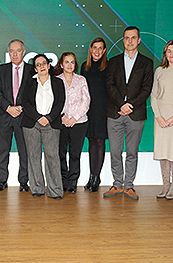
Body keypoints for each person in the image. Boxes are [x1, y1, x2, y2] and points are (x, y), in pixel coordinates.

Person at [103, 26, 153, 200]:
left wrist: (130, 105)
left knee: (132, 152)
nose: (130, 41)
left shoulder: (147, 63)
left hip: (135, 113)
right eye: (126, 38)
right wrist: (121, 104)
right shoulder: (113, 61)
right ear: (123, 40)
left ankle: (129, 186)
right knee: (115, 152)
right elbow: (109, 85)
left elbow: (147, 88)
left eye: (133, 38)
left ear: (139, 40)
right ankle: (117, 185)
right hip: (115, 112)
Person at [0, 39, 35, 192]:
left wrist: (21, 108)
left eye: (18, 50)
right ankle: (2, 181)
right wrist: (8, 107)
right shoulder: (1, 69)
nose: (15, 54)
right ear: (8, 52)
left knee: (24, 151)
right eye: (12, 51)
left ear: (23, 52)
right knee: (3, 151)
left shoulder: (32, 70)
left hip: (24, 117)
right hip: (5, 116)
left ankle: (24, 182)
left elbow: (34, 94)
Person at [22, 54, 66, 199]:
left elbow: (60, 103)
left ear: (48, 65)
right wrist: (38, 117)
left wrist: (48, 118)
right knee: (33, 156)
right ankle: (37, 188)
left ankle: (55, 190)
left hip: (51, 123)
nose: (41, 66)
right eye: (38, 64)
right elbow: (25, 103)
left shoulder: (58, 83)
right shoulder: (29, 83)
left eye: (44, 63)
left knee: (52, 156)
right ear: (35, 68)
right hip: (31, 124)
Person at [150, 40, 173, 200]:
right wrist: (158, 116)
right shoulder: (159, 71)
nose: (171, 53)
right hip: (161, 117)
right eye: (168, 51)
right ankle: (165, 185)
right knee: (163, 151)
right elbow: (154, 94)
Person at [55, 52, 90, 193]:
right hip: (61, 122)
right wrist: (63, 116)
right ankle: (63, 181)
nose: (70, 65)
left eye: (72, 62)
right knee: (61, 153)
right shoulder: (56, 80)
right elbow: (54, 101)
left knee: (75, 154)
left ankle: (72, 183)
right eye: (67, 62)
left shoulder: (81, 80)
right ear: (61, 64)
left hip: (79, 122)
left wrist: (74, 118)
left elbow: (86, 101)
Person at [81, 38, 109, 193]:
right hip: (88, 110)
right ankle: (92, 176)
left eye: (100, 48)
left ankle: (96, 177)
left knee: (99, 141)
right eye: (95, 48)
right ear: (90, 49)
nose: (97, 51)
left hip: (103, 110)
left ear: (104, 51)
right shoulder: (84, 67)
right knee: (91, 141)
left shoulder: (109, 67)